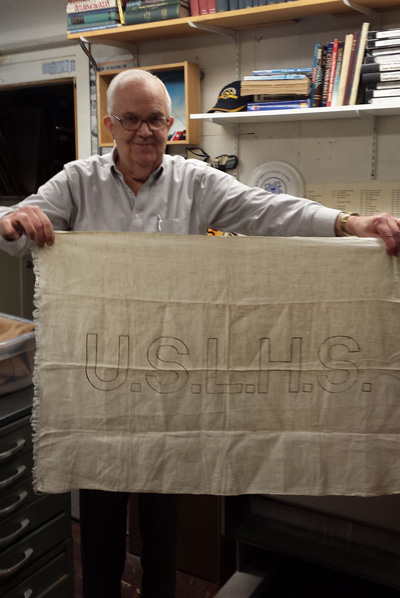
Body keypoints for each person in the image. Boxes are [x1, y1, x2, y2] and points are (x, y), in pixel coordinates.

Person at [1, 69, 400, 598]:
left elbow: (269, 210)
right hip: (99, 377)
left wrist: (350, 223)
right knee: (100, 519)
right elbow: (12, 225)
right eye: (131, 120)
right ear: (110, 124)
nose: (145, 132)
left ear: (171, 124)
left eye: (156, 120)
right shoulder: (77, 180)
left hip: (169, 374)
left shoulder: (196, 181)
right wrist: (14, 220)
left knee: (163, 519)